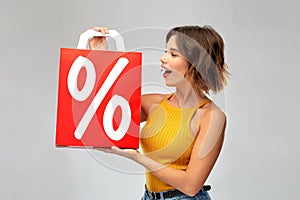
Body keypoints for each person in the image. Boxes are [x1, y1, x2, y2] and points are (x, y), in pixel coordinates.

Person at [90, 25, 230, 200]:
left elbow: (191, 185)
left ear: (195, 63)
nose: (162, 58)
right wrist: (101, 57)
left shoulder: (211, 116)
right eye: (165, 52)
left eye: (173, 54)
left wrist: (137, 157)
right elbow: (103, 113)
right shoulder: (153, 103)